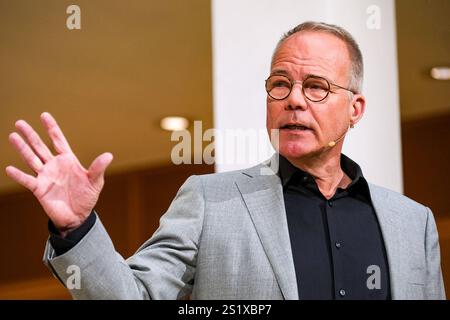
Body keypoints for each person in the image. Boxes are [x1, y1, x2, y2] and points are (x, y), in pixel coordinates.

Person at [6, 21, 445, 300]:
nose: (293, 100)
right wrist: (76, 226)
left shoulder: (413, 223)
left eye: (316, 86)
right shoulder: (210, 203)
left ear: (356, 108)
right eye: (279, 84)